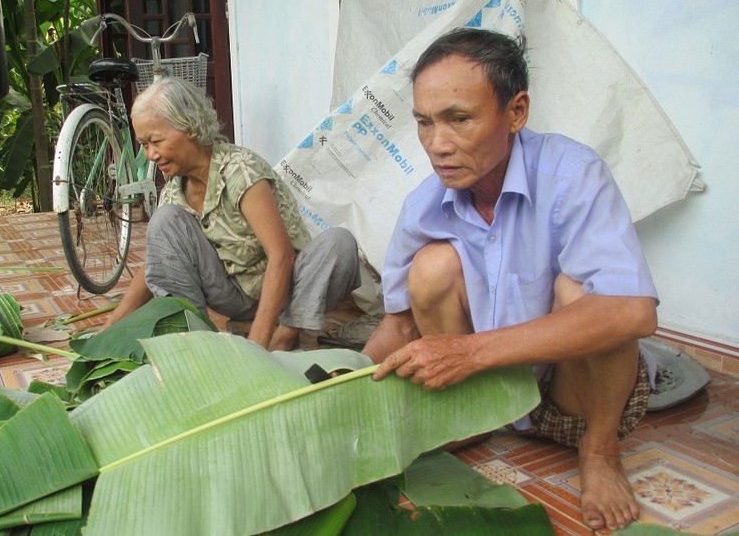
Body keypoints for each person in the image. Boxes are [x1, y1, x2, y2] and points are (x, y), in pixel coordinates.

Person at [363, 28, 658, 532]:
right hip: (484, 389)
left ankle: (600, 451)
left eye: (459, 119)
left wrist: (469, 353)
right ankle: (466, 419)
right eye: (424, 122)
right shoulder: (424, 205)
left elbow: (634, 311)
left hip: (573, 395)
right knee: (431, 266)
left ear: (516, 112)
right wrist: (340, 387)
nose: (438, 144)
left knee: (587, 294)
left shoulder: (573, 174)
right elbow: (400, 326)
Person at [102, 77, 361, 351]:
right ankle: (192, 336)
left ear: (189, 127)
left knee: (339, 243)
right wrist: (113, 324)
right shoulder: (174, 192)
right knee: (164, 221)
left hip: (290, 291)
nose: (150, 154)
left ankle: (285, 336)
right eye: (144, 144)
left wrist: (259, 346)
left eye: (155, 141)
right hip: (234, 294)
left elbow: (281, 255)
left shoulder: (240, 170)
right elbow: (156, 263)